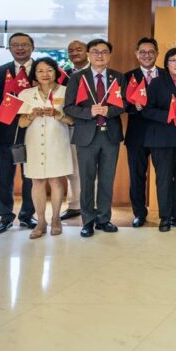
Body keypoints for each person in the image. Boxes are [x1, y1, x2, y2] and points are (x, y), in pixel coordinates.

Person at [63, 38, 126, 238]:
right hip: (86, 136)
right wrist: (89, 111)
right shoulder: (77, 78)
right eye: (95, 51)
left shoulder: (118, 77)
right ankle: (87, 220)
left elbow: (125, 104)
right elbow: (69, 107)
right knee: (87, 180)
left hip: (110, 135)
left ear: (109, 55)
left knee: (107, 180)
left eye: (104, 52)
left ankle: (104, 219)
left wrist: (110, 110)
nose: (100, 55)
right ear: (89, 54)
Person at [16, 58, 73, 238]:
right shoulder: (26, 94)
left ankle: (56, 218)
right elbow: (21, 123)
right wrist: (31, 115)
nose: (45, 74)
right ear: (35, 74)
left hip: (58, 141)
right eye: (40, 71)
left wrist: (58, 114)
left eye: (49, 70)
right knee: (37, 182)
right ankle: (41, 221)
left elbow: (73, 121)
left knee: (56, 181)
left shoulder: (67, 92)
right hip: (33, 142)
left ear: (56, 72)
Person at [142, 47, 176, 232]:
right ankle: (165, 217)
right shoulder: (157, 83)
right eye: (174, 60)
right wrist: (170, 115)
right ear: (166, 63)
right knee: (164, 179)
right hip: (163, 139)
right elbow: (147, 110)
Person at [0, 32, 37, 232]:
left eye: (24, 45)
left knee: (31, 177)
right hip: (5, 133)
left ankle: (28, 215)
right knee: (4, 177)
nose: (20, 48)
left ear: (32, 47)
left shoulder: (43, 69)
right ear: (9, 49)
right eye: (15, 45)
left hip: (35, 132)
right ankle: (5, 216)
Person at [123, 37, 162, 227]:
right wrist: (133, 107)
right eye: (143, 52)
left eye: (151, 52)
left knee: (163, 174)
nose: (147, 55)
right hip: (136, 134)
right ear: (137, 54)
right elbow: (121, 104)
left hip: (161, 134)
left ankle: (166, 212)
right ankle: (139, 213)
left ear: (157, 53)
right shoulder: (127, 76)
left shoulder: (166, 75)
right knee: (137, 175)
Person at [60, 39, 88, 221]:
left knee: (90, 168)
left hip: (89, 126)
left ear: (87, 52)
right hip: (66, 126)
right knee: (72, 169)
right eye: (71, 50)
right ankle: (75, 205)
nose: (75, 53)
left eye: (79, 49)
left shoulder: (95, 72)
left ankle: (90, 205)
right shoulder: (63, 75)